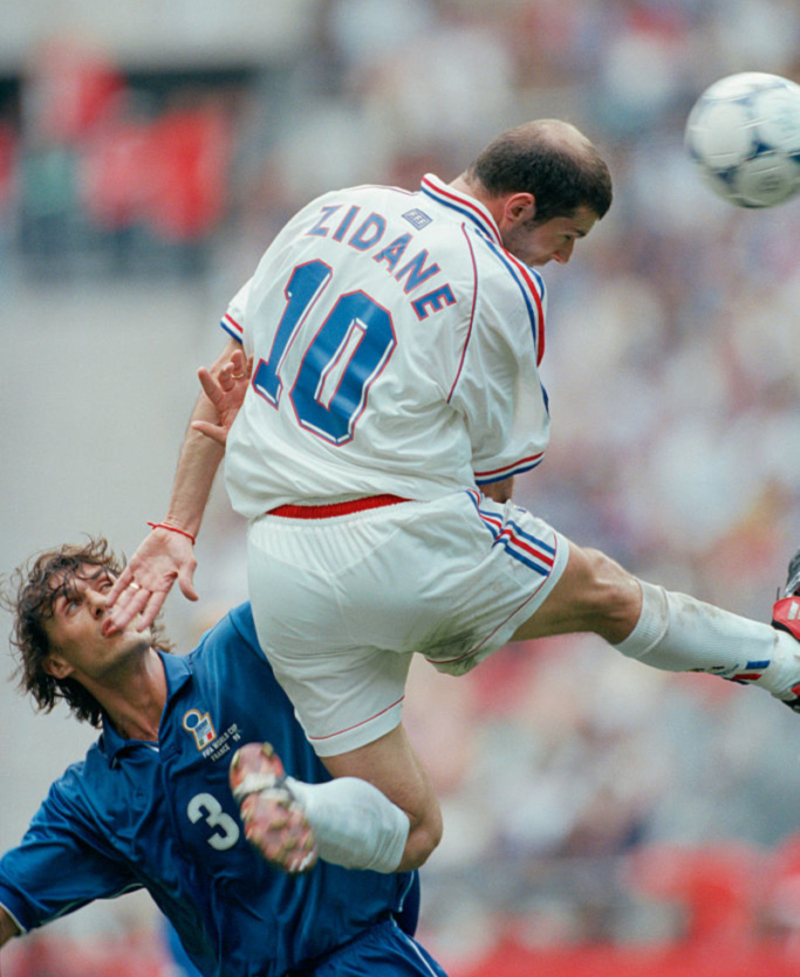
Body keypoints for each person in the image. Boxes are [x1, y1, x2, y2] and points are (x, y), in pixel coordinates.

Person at [103, 118, 800, 878]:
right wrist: (463, 615)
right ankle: (783, 663)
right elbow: (495, 482)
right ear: (520, 207)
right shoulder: (498, 281)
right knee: (605, 592)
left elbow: (225, 377)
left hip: (283, 570)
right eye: (568, 235)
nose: (565, 256)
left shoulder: (331, 208)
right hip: (401, 537)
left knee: (408, 825)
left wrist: (178, 523)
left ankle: (294, 803)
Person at [0, 539, 448, 977]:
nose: (103, 601)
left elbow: (353, 588)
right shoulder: (90, 802)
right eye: (73, 606)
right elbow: (10, 899)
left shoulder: (242, 647)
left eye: (106, 583)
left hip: (363, 958)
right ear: (56, 663)